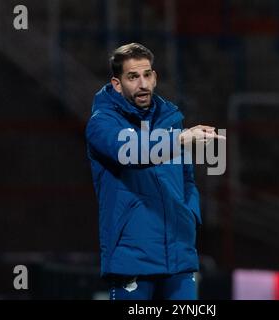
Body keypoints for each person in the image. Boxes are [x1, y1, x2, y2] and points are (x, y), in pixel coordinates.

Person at [85, 43, 224, 300]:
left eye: (147, 74)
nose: (142, 84)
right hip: (133, 257)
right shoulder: (102, 123)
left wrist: (189, 215)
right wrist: (181, 139)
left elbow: (187, 179)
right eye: (133, 77)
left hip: (179, 255)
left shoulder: (170, 119)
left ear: (155, 77)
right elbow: (131, 153)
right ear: (117, 84)